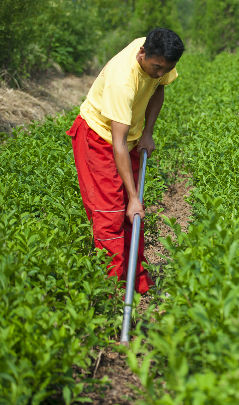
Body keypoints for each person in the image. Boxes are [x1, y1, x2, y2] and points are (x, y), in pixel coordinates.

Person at [66, 28, 184, 294]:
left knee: (133, 215)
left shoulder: (158, 60)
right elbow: (116, 143)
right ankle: (113, 292)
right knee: (110, 212)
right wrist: (132, 196)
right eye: (155, 67)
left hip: (127, 135)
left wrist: (148, 133)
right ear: (142, 53)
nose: (159, 73)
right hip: (99, 137)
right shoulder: (122, 80)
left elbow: (158, 89)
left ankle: (136, 279)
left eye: (165, 69)